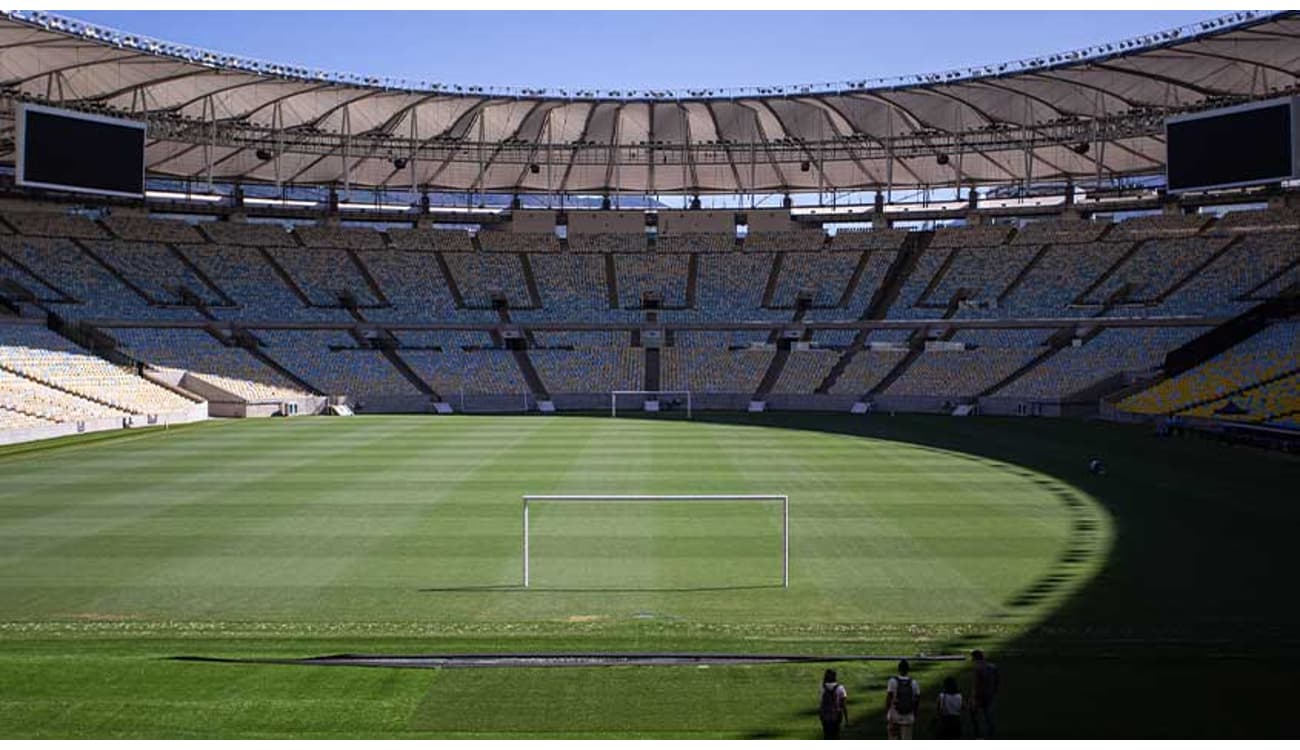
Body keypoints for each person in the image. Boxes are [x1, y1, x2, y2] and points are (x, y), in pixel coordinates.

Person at [885, 659, 920, 739]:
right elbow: (917, 700)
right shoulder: (914, 683)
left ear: (898, 669)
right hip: (908, 717)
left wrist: (888, 713)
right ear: (908, 670)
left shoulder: (892, 681)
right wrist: (914, 713)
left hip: (894, 716)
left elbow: (888, 698)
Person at [970, 649, 1000, 739]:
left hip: (980, 695)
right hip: (990, 693)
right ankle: (991, 732)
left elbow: (977, 684)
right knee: (987, 714)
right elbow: (997, 680)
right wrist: (994, 691)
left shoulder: (978, 668)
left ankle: (978, 733)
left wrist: (973, 697)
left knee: (974, 713)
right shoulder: (993, 667)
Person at [818, 668, 848, 739]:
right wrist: (847, 719)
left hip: (825, 716)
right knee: (836, 736)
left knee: (827, 736)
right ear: (835, 676)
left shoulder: (822, 687)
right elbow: (843, 704)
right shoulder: (840, 688)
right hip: (836, 716)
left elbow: (821, 701)